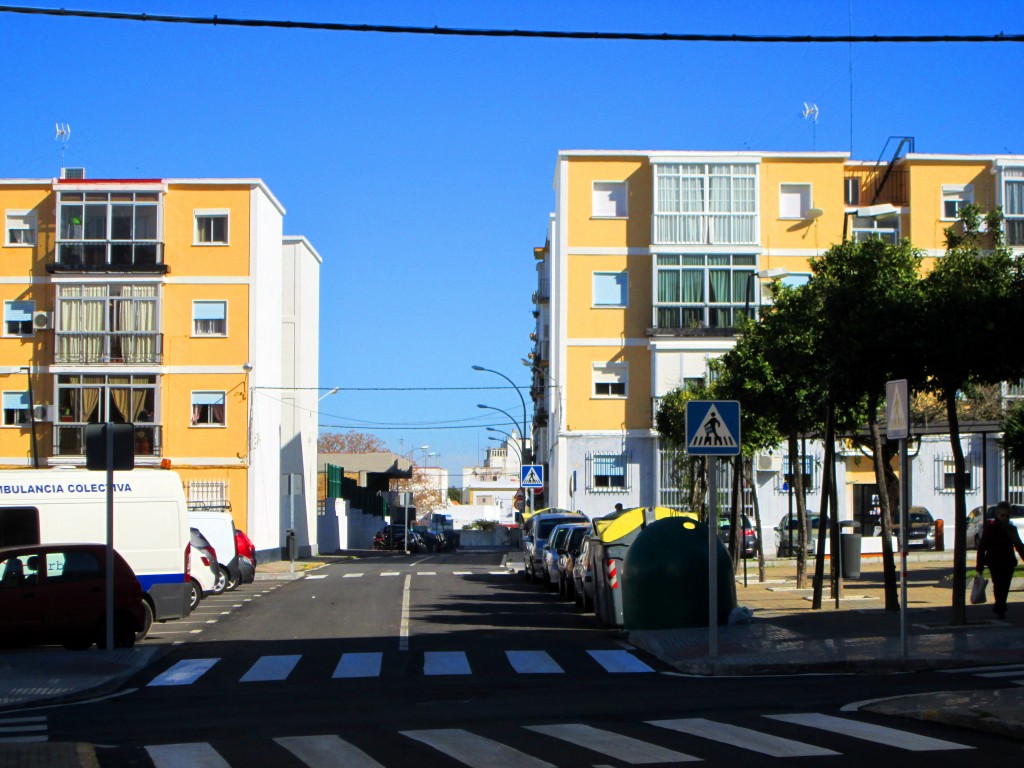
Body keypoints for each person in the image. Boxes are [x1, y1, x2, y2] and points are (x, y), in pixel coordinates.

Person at [976, 501, 1024, 619]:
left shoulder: (1011, 529)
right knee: (998, 584)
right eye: (1002, 515)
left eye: (1007, 515)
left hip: (1008, 562)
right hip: (995, 562)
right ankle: (1000, 606)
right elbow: (982, 547)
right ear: (997, 514)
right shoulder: (990, 529)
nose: (1004, 518)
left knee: (1005, 585)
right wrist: (979, 566)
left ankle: (1000, 605)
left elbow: (1018, 545)